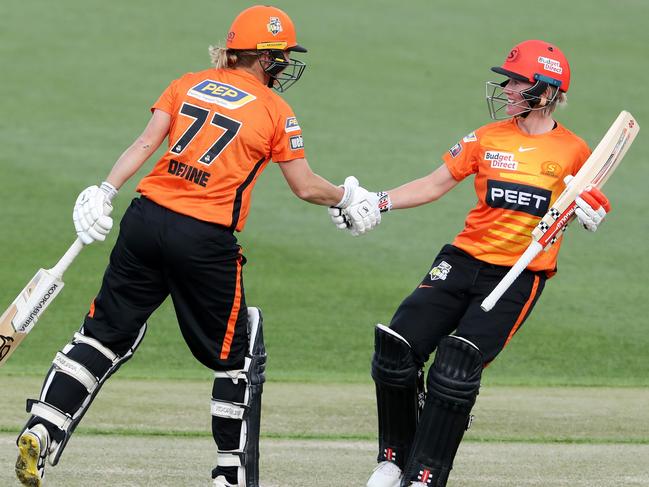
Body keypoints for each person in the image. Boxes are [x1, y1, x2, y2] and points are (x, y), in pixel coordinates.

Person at [14, 5, 382, 487]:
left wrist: (105, 189)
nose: (286, 66)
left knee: (102, 336)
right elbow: (305, 185)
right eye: (283, 57)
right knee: (237, 357)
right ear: (265, 59)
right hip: (204, 239)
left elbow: (145, 144)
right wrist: (349, 196)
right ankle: (229, 473)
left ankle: (44, 427)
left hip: (144, 219)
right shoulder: (276, 110)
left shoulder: (187, 82)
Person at [331, 40, 612, 487]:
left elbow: (586, 202)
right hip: (462, 259)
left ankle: (424, 476)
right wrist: (378, 201)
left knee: (455, 368)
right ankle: (392, 459)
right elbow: (433, 184)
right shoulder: (487, 137)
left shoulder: (576, 151)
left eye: (517, 80)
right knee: (396, 347)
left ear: (544, 88)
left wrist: (590, 212)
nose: (507, 87)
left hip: (519, 273)